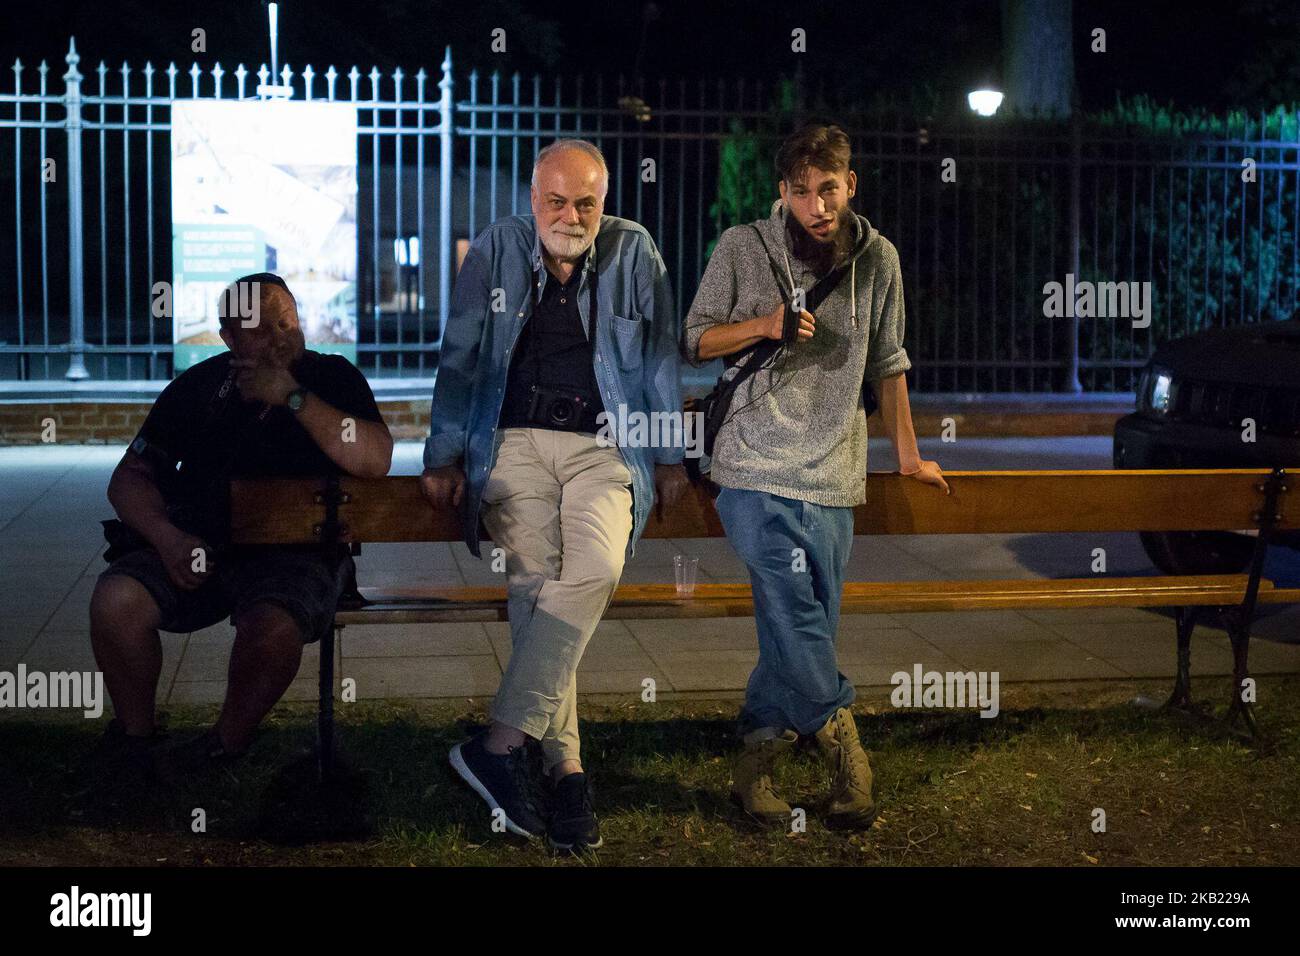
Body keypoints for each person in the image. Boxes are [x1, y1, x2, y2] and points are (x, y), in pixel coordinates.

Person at [421, 139, 687, 851]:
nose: (571, 215)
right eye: (556, 201)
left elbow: (660, 359)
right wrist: (444, 451)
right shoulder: (495, 252)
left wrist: (670, 458)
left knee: (596, 569)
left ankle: (499, 743)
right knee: (535, 588)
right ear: (533, 199)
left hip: (606, 445)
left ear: (605, 203)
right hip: (514, 442)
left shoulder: (635, 253)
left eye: (586, 203)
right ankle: (566, 768)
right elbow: (461, 356)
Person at [684, 123, 950, 829]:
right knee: (798, 615)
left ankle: (755, 767)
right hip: (750, 464)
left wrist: (909, 457)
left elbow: (889, 363)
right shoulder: (743, 247)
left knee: (794, 626)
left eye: (827, 188)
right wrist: (765, 324)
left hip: (834, 470)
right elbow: (696, 337)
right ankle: (843, 742)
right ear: (783, 192)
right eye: (801, 192)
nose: (816, 205)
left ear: (849, 184)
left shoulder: (879, 259)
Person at [88, 273, 392, 798]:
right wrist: (166, 536)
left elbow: (374, 458)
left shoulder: (331, 378)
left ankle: (225, 744)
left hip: (295, 554)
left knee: (272, 627)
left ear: (292, 323)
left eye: (275, 323)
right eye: (242, 327)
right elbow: (129, 477)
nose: (271, 337)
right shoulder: (201, 387)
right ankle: (135, 742)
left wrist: (293, 398)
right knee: (116, 601)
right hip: (199, 546)